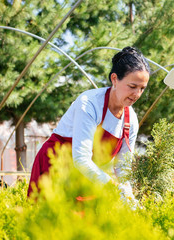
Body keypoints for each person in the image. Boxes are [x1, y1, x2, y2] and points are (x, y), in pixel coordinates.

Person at [28, 46, 150, 204]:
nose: (137, 94)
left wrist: (128, 194)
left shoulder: (130, 119)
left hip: (86, 179)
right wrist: (111, 187)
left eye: (142, 89)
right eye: (132, 87)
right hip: (54, 170)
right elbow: (81, 158)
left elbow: (123, 166)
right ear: (114, 79)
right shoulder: (90, 103)